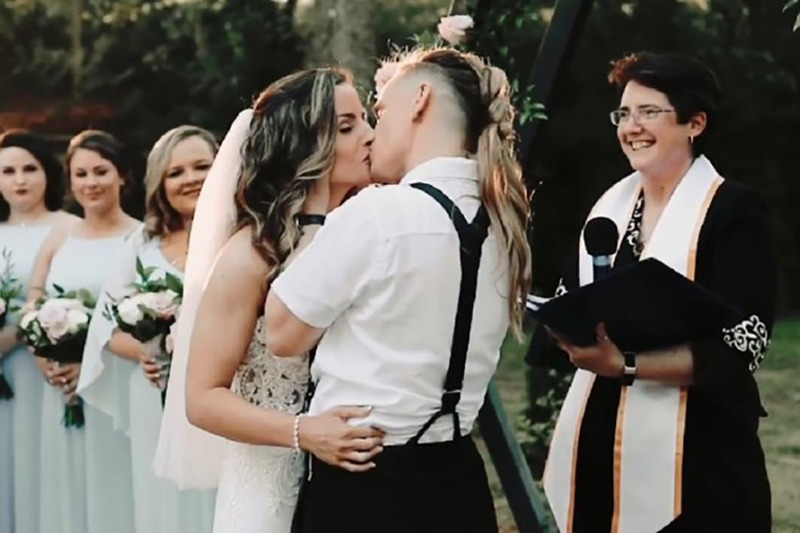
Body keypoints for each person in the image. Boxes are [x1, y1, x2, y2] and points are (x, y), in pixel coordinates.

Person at [265, 47, 532, 533]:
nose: (373, 131)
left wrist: (316, 211)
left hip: (365, 486)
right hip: (460, 486)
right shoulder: (505, 224)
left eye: (381, 110)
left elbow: (282, 334)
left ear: (420, 100)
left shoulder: (378, 214)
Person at [532, 52, 775, 532]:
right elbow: (569, 299)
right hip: (599, 455)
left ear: (695, 123)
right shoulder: (608, 211)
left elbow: (744, 343)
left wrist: (623, 365)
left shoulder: (733, 212)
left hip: (701, 464)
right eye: (623, 114)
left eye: (648, 112)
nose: (630, 126)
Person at [155, 67, 383, 533]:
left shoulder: (367, 229)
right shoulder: (250, 255)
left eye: (366, 119)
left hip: (361, 484)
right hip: (270, 487)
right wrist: (303, 433)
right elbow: (201, 400)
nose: (369, 136)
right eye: (347, 127)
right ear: (302, 146)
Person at [79, 126, 219, 533]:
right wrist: (147, 351)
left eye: (201, 167)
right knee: (162, 506)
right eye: (175, 172)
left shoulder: (242, 233)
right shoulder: (143, 242)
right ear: (160, 181)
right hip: (153, 393)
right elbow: (107, 325)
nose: (190, 178)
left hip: (221, 392)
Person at [28, 130, 140, 533]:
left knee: (112, 484)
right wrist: (48, 364)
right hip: (59, 388)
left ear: (123, 176)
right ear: (70, 181)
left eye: (101, 171)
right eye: (81, 174)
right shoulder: (61, 236)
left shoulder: (139, 237)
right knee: (66, 483)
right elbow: (34, 306)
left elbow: (140, 319)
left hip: (115, 382)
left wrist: (90, 365)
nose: (91, 182)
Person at [0, 130, 76, 533]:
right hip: (3, 378)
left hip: (48, 370)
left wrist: (14, 335)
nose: (19, 179)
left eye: (29, 168)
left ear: (48, 172)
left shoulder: (69, 228)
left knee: (41, 461)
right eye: (8, 171)